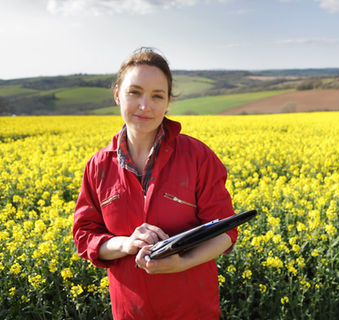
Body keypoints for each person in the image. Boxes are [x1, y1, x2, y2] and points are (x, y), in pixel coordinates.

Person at [72, 47, 238, 320]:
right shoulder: (98, 166)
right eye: (134, 92)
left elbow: (225, 231)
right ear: (117, 95)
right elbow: (85, 236)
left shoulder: (198, 157)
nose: (144, 106)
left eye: (157, 96)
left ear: (168, 101)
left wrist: (181, 262)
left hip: (192, 310)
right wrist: (125, 244)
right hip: (130, 312)